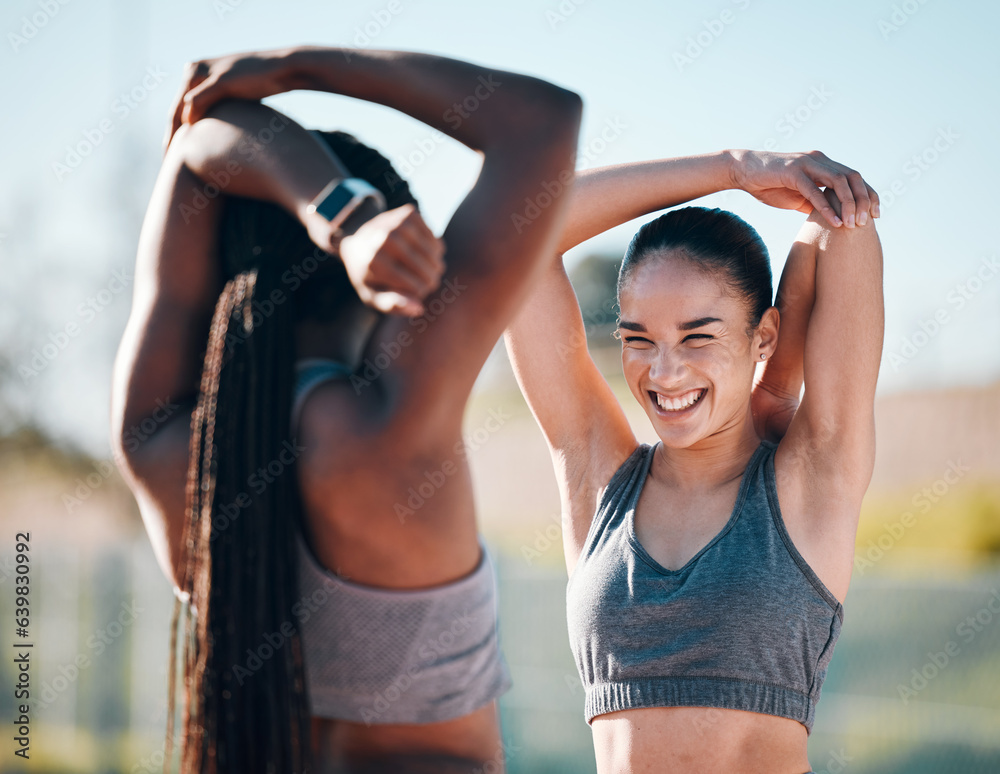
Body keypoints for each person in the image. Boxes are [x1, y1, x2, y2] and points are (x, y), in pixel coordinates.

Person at [110, 45, 581, 774]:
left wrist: (334, 211)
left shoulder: (162, 442)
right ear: (388, 284)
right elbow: (545, 119)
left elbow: (195, 147)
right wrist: (293, 68)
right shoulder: (391, 423)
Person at [503, 150, 882, 773]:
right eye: (638, 339)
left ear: (762, 334)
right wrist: (735, 167)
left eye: (698, 336)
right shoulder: (600, 481)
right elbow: (521, 227)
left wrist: (780, 368)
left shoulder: (811, 477)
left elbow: (843, 217)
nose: (663, 370)